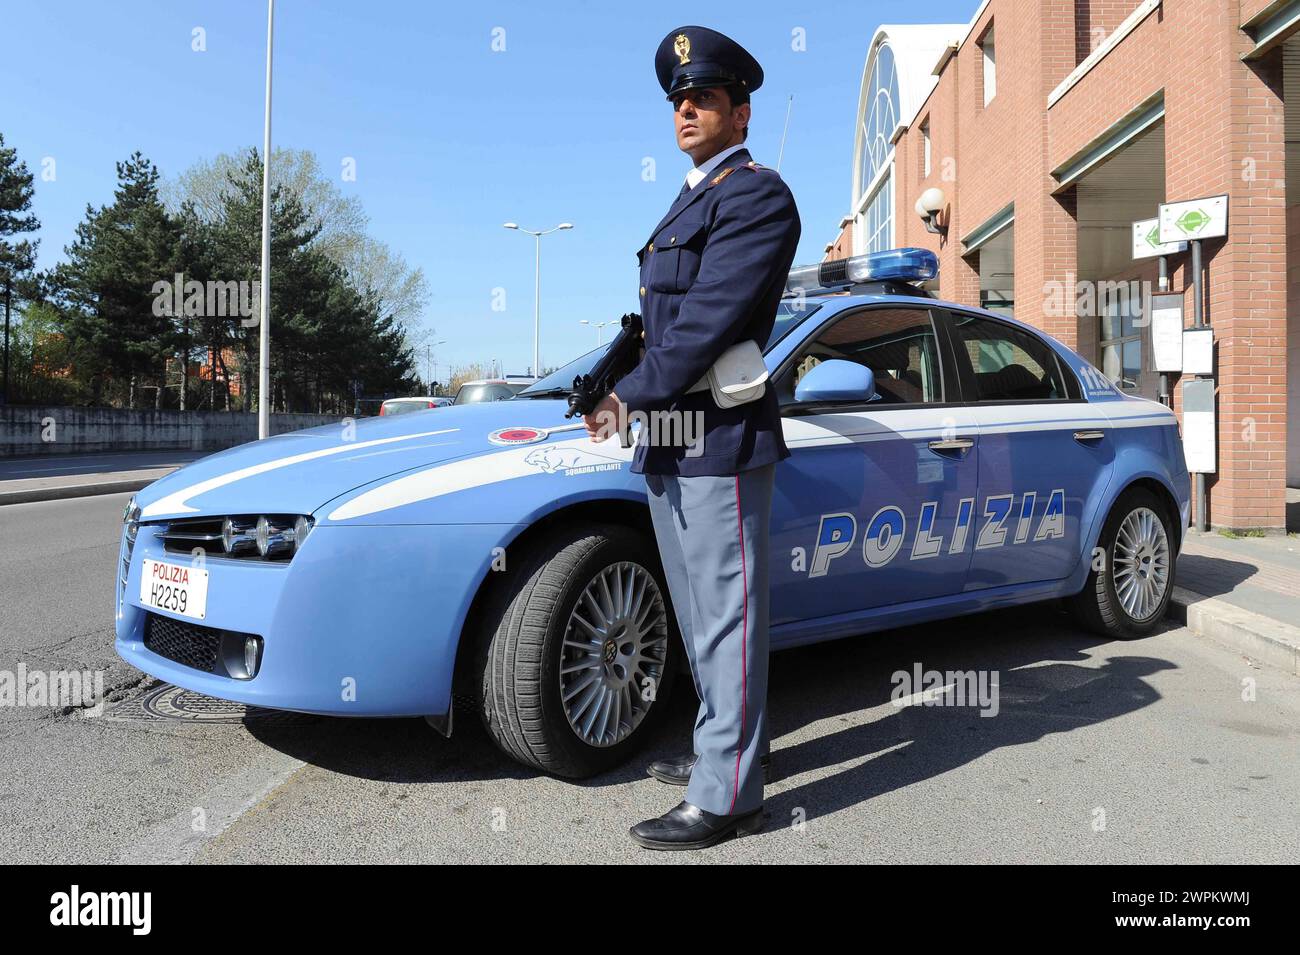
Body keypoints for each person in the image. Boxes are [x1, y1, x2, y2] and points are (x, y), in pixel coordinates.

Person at [582, 24, 801, 850]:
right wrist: (612, 376)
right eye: (678, 98)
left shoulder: (756, 195)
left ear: (740, 113)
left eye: (703, 96)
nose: (686, 108)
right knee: (700, 614)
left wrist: (628, 397)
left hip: (720, 437)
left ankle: (731, 795)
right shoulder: (690, 198)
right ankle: (728, 751)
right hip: (673, 440)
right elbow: (662, 321)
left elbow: (706, 320)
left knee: (728, 618)